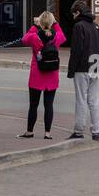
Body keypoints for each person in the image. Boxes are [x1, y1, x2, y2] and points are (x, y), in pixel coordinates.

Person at [19, 11, 67, 140]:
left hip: (37, 74)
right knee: (49, 105)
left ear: (40, 22)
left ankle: (30, 131)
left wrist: (35, 25)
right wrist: (55, 23)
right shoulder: (56, 37)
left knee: (33, 105)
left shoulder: (35, 36)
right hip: (52, 74)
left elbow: (24, 39)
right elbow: (63, 36)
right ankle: (47, 132)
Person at [66, 0, 99, 141]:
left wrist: (71, 70)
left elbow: (76, 50)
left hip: (82, 66)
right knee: (94, 100)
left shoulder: (78, 26)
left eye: (74, 14)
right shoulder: (96, 26)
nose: (73, 17)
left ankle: (79, 130)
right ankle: (96, 131)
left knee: (81, 99)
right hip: (95, 62)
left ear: (78, 12)